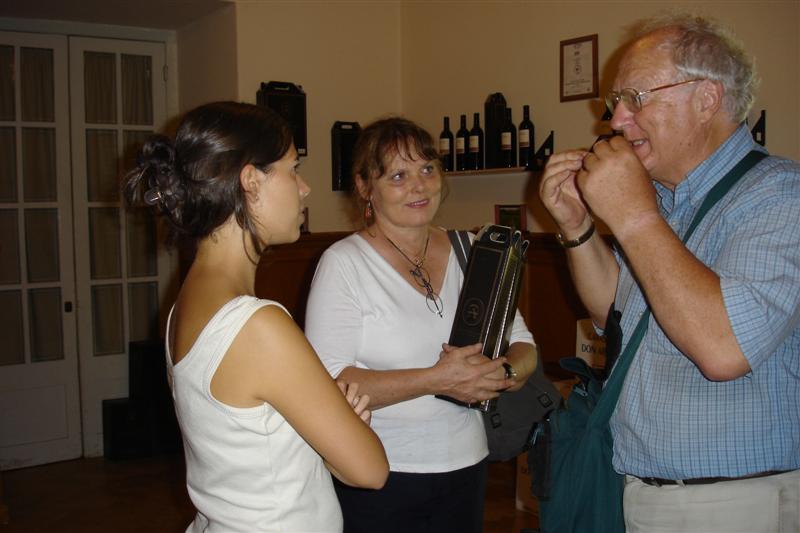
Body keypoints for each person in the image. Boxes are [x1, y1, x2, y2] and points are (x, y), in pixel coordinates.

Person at [539, 13, 800, 533]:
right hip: (644, 487)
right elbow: (613, 316)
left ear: (707, 99)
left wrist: (634, 217)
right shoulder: (661, 200)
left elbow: (724, 349)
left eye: (636, 98)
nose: (616, 120)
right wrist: (577, 226)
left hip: (734, 500)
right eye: (616, 101)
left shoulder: (779, 195)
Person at [123, 101, 388, 533]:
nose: (304, 188)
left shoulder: (183, 305)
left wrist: (328, 425)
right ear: (251, 181)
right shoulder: (258, 326)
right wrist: (344, 423)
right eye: (293, 169)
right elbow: (370, 470)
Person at [304, 117, 538, 533]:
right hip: (380, 474)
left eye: (427, 169)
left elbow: (523, 345)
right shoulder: (343, 264)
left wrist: (502, 374)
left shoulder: (473, 250)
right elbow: (329, 384)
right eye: (398, 175)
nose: (419, 186)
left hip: (468, 465)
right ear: (365, 187)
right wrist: (436, 379)